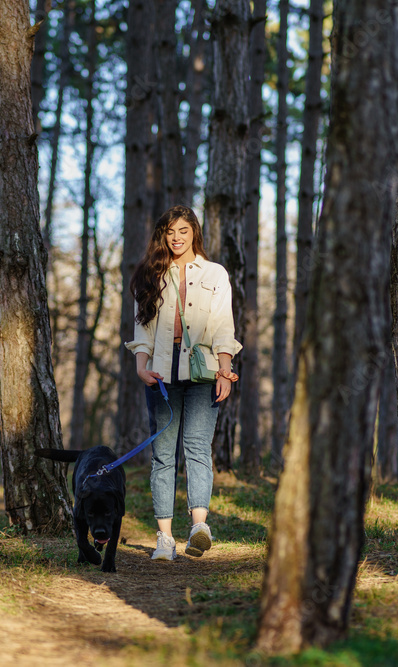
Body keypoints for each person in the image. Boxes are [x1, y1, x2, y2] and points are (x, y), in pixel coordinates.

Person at [125, 205, 242, 561]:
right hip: (161, 372)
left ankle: (198, 528)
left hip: (203, 372)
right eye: (170, 232)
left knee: (197, 447)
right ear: (163, 235)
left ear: (195, 233)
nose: (176, 238)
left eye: (183, 231)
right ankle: (164, 539)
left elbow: (224, 325)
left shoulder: (215, 273)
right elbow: (142, 328)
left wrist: (225, 370)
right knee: (163, 455)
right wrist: (141, 367)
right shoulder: (151, 273)